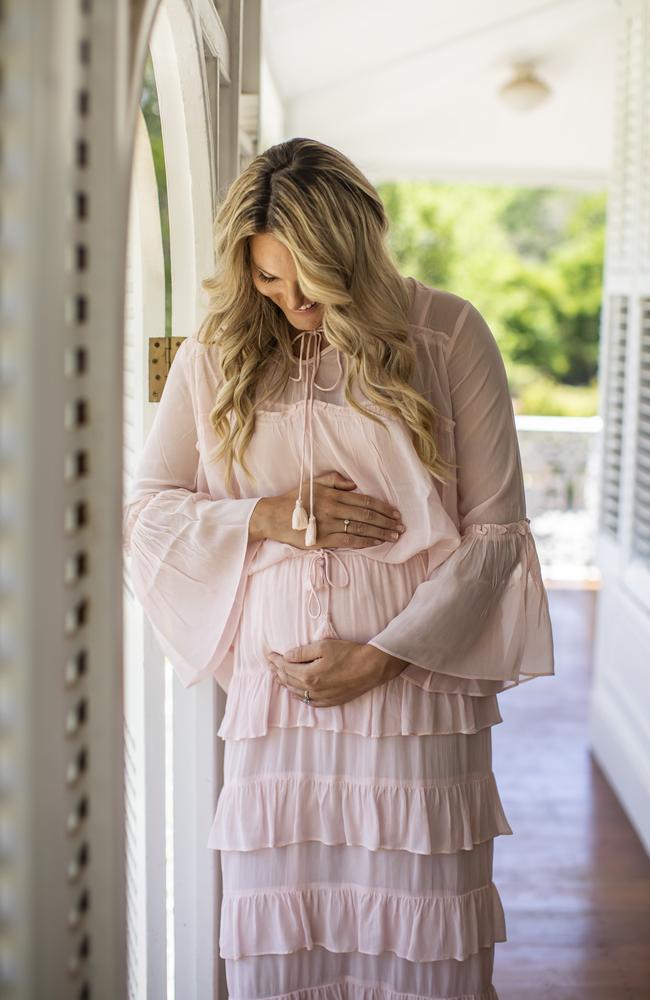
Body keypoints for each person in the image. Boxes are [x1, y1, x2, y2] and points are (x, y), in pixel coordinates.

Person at [123, 136, 555, 1000]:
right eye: (269, 279)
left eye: (307, 278)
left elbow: (496, 535)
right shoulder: (220, 350)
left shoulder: (448, 333)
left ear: (353, 247)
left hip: (418, 702)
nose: (290, 303)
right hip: (277, 713)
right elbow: (147, 508)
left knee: (421, 936)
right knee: (288, 943)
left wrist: (382, 656)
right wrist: (268, 516)